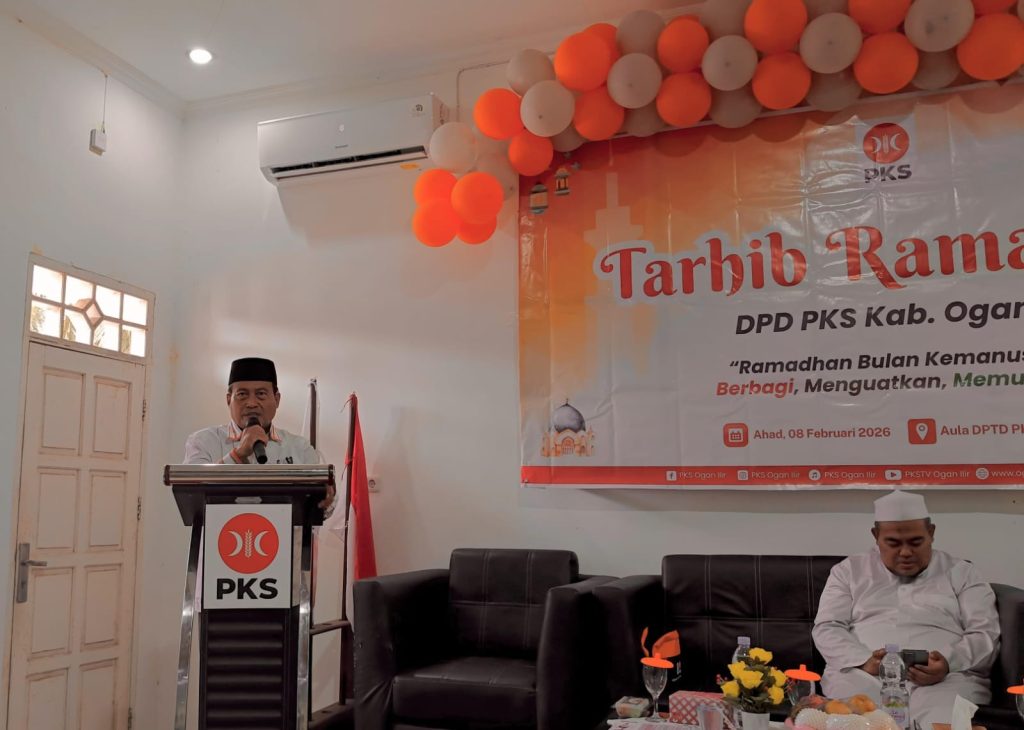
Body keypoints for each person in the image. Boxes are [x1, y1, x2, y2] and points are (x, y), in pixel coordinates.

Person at [813, 491, 1000, 729]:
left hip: (947, 680)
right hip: (864, 677)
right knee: (855, 722)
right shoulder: (848, 571)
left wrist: (948, 662)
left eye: (916, 542)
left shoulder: (962, 572)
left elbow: (985, 633)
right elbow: (827, 627)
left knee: (944, 722)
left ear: (931, 533)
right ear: (876, 536)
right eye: (893, 543)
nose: (905, 552)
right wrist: (863, 660)